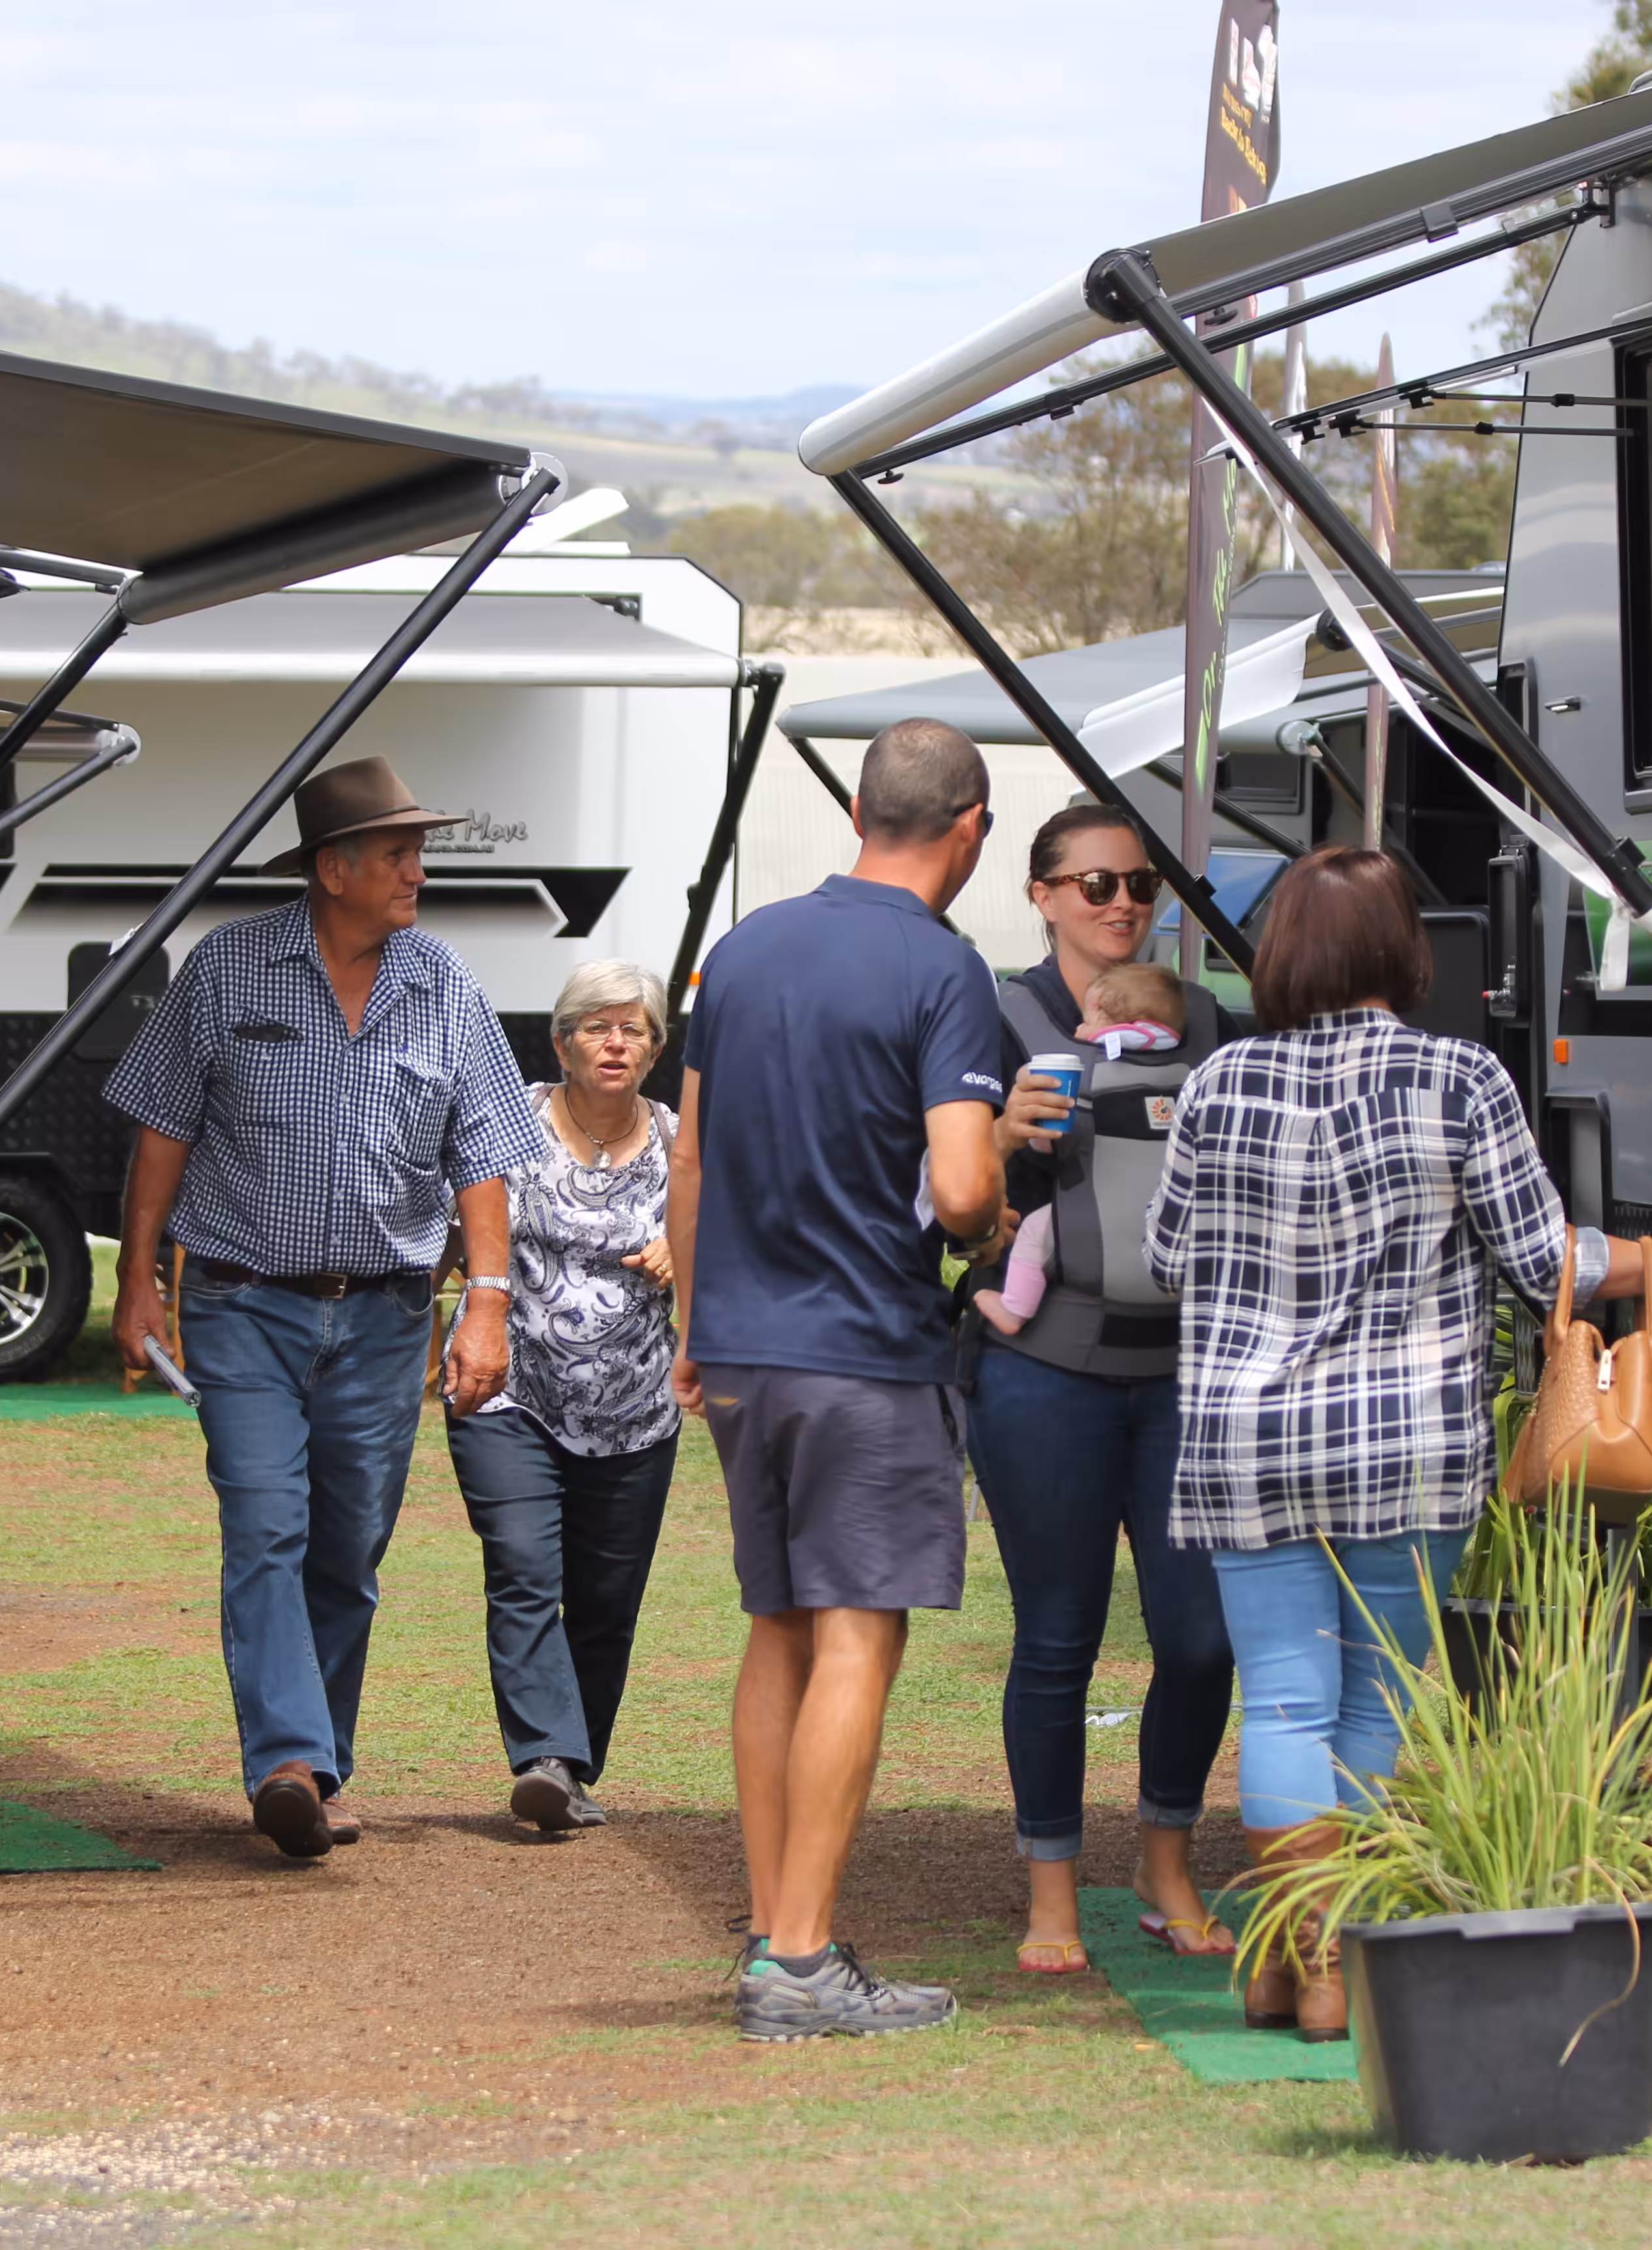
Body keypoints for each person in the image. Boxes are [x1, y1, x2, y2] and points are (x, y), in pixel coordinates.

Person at [1146, 847, 1652, 2039]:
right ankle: (1334, 1967)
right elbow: (1547, 1259)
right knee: (1376, 1707)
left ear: (1280, 952)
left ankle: (1289, 1959)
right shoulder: (1457, 1076)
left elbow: (1168, 1255)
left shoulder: (1218, 1079)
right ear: (1402, 950)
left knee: (1282, 1702)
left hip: (1244, 1439)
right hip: (1403, 1444)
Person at [667, 715, 1064, 2041]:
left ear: (856, 810)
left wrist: (690, 1327)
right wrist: (997, 1188)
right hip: (863, 1350)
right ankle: (797, 1956)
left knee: (779, 1623)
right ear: (972, 833)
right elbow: (958, 1189)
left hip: (738, 1343)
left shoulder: (743, 948)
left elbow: (692, 1159)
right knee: (857, 1630)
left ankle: (780, 1933)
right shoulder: (942, 968)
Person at [105, 755, 553, 1865]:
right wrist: (133, 1282)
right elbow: (161, 1126)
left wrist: (485, 1303)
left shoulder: (442, 982)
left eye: (416, 850)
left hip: (387, 1315)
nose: (416, 869)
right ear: (330, 867)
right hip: (241, 1303)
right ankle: (286, 1764)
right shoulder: (225, 970)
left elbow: (485, 1154)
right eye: (396, 852)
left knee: (346, 1550)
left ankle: (321, 1764)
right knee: (265, 1524)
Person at [961, 806, 1240, 1977]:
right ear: (1039, 894)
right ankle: (1049, 1890)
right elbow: (936, 1193)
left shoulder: (1208, 1016)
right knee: (1056, 1640)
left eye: (1139, 883)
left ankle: (1164, 1857)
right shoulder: (994, 1014)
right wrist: (996, 1136)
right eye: (1091, 884)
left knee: (1198, 1640)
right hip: (1044, 1375)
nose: (1120, 902)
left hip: (1184, 1375)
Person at [445, 958, 681, 1836]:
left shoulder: (680, 1144)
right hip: (510, 1391)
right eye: (596, 1025)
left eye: (634, 1029)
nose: (615, 1042)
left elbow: (730, 1239)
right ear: (562, 1040)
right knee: (521, 1568)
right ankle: (543, 1754)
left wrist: (684, 1252)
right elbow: (463, 1224)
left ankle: (571, 1773)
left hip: (635, 1412)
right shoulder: (509, 1126)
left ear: (656, 1050)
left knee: (606, 1604)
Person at [975, 962, 1186, 1337]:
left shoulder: (1102, 1054)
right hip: (1170, 1218)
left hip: (1094, 1214)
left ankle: (1015, 1308)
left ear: (1108, 1014)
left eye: (1087, 1018)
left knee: (1035, 1233)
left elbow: (1046, 1141)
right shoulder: (1184, 1060)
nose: (1079, 1028)